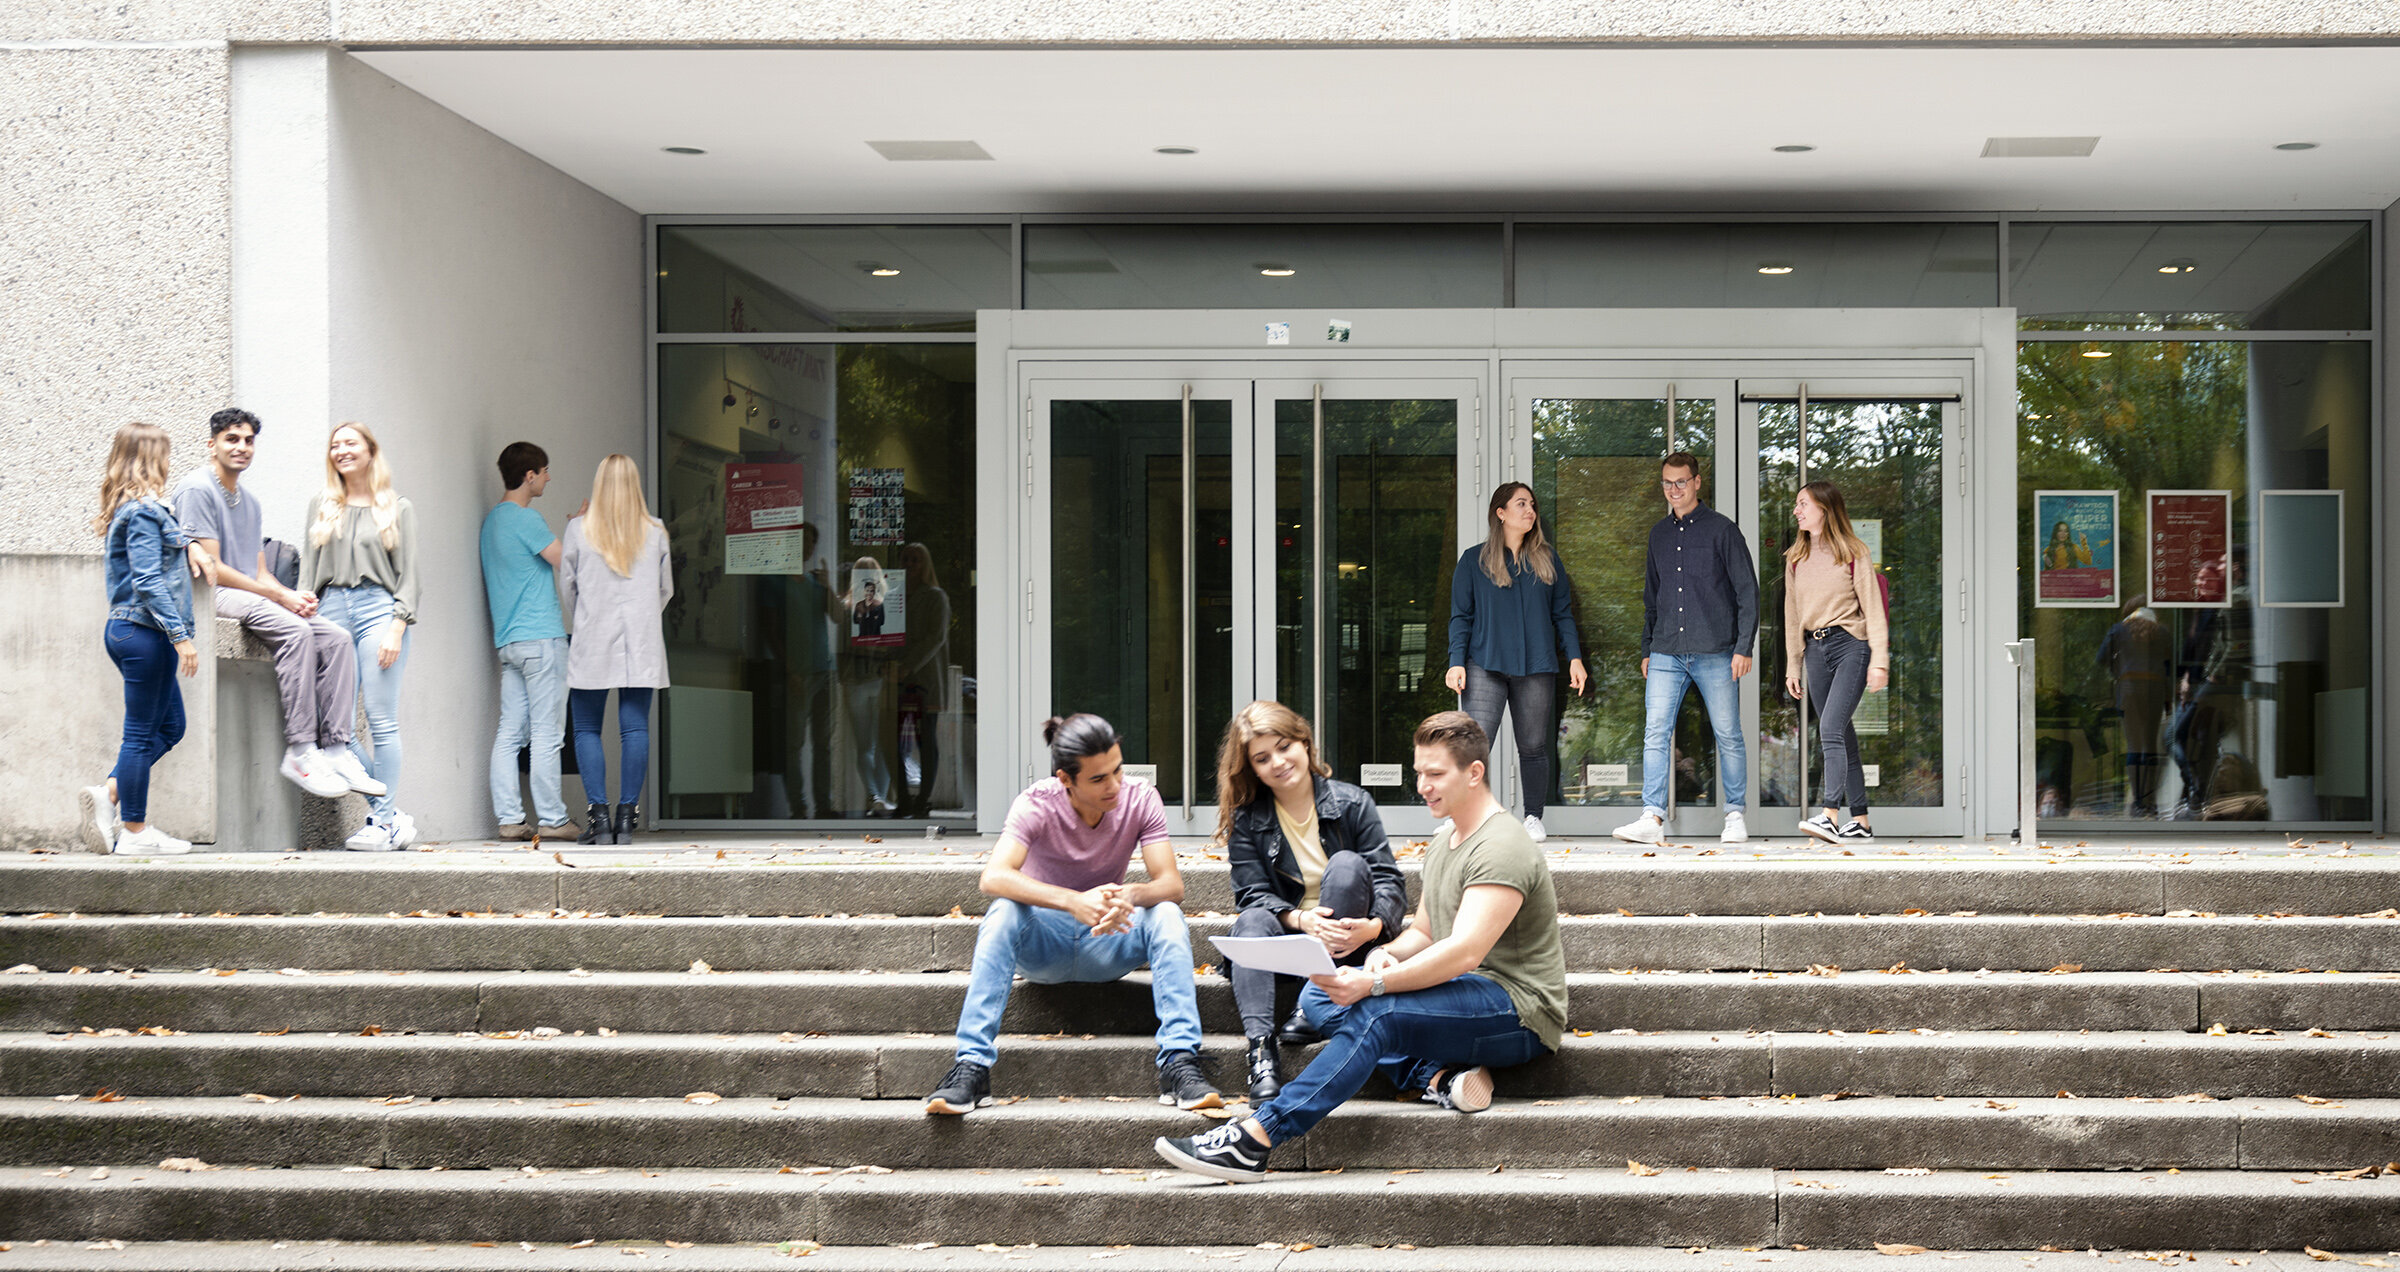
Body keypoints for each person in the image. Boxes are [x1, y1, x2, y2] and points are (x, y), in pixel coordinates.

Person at [1154, 711, 1566, 1183]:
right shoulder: (1444, 841)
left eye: (1436, 774)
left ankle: (1255, 1138)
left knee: (1376, 1013)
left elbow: (1465, 952)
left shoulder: (1502, 844)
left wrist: (1374, 982)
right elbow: (1427, 935)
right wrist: (1385, 953)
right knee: (1318, 998)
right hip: (1466, 992)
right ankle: (1437, 1078)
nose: (1424, 786)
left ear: (1474, 773)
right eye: (1419, 774)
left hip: (1518, 1009)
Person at [925, 713, 1221, 1116]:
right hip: (1044, 946)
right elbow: (993, 877)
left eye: (1117, 770)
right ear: (1066, 779)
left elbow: (1171, 884)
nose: (1114, 785)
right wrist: (1072, 901)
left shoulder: (1140, 797)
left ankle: (1179, 1063)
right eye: (1098, 779)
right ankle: (971, 1067)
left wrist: (1130, 894)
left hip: (1107, 938)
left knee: (1165, 912)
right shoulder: (1036, 803)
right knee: (1003, 911)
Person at [170, 408, 382, 809]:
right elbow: (214, 571)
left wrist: (289, 594)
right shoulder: (197, 489)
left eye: (249, 440)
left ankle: (336, 750)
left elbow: (259, 572)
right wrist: (280, 599)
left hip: (246, 593)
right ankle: (301, 749)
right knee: (297, 632)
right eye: (232, 439)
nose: (242, 447)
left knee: (336, 638)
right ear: (211, 444)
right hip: (208, 596)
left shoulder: (248, 501)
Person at [1215, 701, 1409, 1102]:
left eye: (1284, 747)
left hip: (1350, 942)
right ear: (1251, 768)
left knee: (1347, 864)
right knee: (1251, 920)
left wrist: (1374, 926)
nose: (1279, 762)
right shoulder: (1247, 821)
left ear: (1304, 742)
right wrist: (1301, 920)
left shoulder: (1353, 803)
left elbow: (1388, 879)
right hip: (1289, 942)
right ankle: (1261, 1053)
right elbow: (1251, 893)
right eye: (1263, 758)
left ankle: (1314, 1001)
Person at [1615, 452, 1756, 847]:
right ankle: (1652, 816)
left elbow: (1747, 593)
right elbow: (1651, 597)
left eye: (1680, 482)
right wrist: (1647, 647)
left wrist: (1743, 647)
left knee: (1727, 733)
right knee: (1655, 733)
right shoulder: (1658, 534)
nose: (1673, 490)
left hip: (1716, 650)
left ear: (1697, 482)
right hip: (1666, 651)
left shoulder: (1723, 531)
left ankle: (1734, 815)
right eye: (1667, 483)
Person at [84, 422, 207, 855]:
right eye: (165, 455)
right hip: (144, 632)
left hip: (133, 631)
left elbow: (161, 555)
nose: (170, 463)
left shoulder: (148, 509)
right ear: (151, 459)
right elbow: (149, 579)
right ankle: (134, 832)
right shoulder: (140, 511)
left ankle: (111, 791)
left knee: (171, 726)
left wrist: (189, 544)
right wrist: (180, 637)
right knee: (138, 735)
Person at [1445, 482, 1587, 843]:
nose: (1530, 511)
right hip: (1484, 664)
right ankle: (1462, 817)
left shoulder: (1547, 559)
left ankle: (1534, 818)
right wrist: (1456, 662)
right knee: (1472, 745)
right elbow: (1461, 617)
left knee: (1534, 746)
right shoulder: (1473, 561)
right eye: (1521, 504)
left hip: (1537, 666)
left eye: (1532, 505)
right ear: (1501, 512)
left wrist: (1575, 658)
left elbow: (1563, 615)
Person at [302, 423, 421, 851]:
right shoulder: (322, 504)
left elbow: (410, 576)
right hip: (331, 611)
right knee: (337, 728)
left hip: (379, 611)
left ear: (371, 450)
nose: (341, 450)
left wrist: (397, 625)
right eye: (335, 444)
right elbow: (307, 575)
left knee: (381, 720)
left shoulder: (397, 507)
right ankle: (390, 813)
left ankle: (382, 822)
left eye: (350, 443)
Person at [559, 453, 672, 845]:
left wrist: (588, 619)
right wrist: (640, 619)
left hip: (593, 637)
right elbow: (664, 590)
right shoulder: (655, 531)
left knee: (586, 727)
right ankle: (628, 819)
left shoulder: (578, 530)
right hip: (640, 641)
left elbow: (568, 588)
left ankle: (600, 819)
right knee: (635, 727)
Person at [1781, 480, 1889, 844]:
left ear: (1824, 509)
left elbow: (1873, 609)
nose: (1797, 510)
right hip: (1815, 649)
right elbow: (1792, 616)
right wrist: (1792, 665)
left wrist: (1880, 660)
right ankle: (1861, 821)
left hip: (1851, 646)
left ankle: (1829, 814)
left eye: (1803, 504)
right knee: (1842, 734)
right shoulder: (1795, 558)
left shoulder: (1853, 551)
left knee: (1829, 728)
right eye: (1797, 505)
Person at [480, 441, 573, 841]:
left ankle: (510, 820)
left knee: (509, 734)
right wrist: (580, 529)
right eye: (545, 471)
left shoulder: (491, 523)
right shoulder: (526, 519)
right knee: (548, 734)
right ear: (529, 475)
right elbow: (568, 561)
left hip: (508, 643)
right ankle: (552, 820)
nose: (549, 478)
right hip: (541, 639)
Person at [2095, 596, 2171, 818]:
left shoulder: (2118, 630)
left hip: (2128, 690)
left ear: (2130, 610)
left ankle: (2137, 802)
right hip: (2155, 691)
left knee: (2134, 746)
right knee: (2150, 745)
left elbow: (2101, 658)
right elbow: (2170, 665)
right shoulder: (2163, 632)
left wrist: (2119, 670)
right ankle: (2150, 802)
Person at [894, 542, 952, 819]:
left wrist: (908, 665)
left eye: (916, 560)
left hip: (926, 680)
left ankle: (923, 800)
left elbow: (935, 637)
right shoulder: (892, 596)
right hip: (896, 679)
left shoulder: (935, 596)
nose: (910, 564)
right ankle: (903, 799)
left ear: (925, 564)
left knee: (925, 741)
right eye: (905, 559)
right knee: (895, 743)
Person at [840, 557, 896, 815]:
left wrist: (842, 676)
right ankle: (879, 798)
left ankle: (876, 796)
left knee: (865, 745)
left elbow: (840, 647)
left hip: (856, 681)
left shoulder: (847, 606)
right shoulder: (888, 606)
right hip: (880, 679)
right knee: (881, 743)